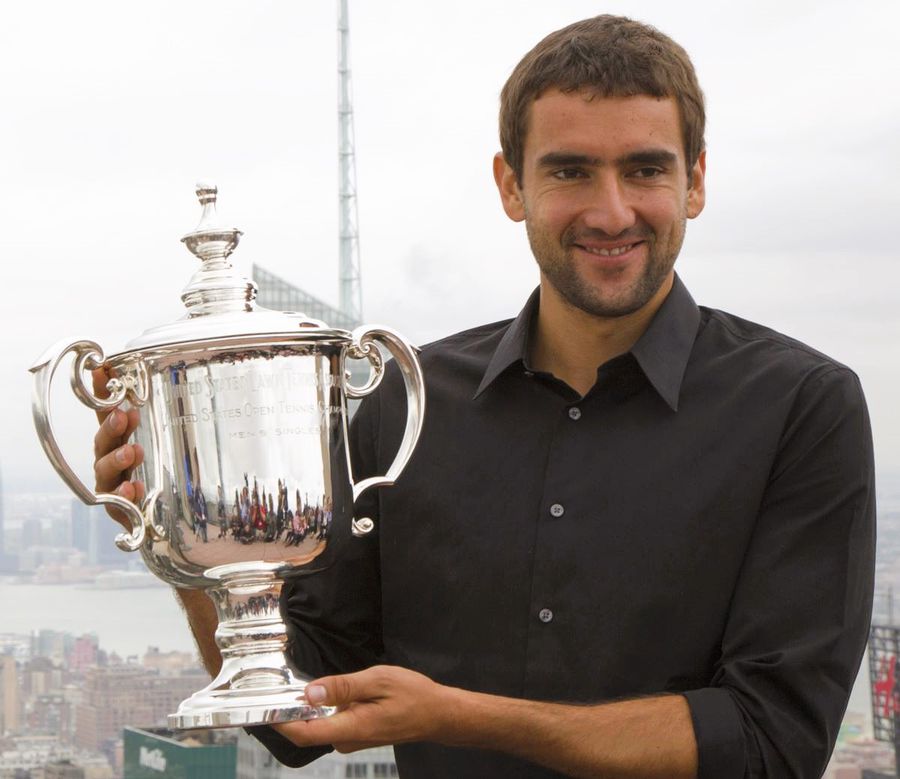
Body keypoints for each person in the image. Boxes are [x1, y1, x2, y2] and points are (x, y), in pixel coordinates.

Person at [93, 15, 875, 778]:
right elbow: (300, 714)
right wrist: (192, 541)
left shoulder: (801, 407)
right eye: (570, 170)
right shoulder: (409, 402)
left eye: (645, 169)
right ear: (511, 185)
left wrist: (457, 716)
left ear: (694, 181)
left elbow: (771, 743)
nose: (612, 211)